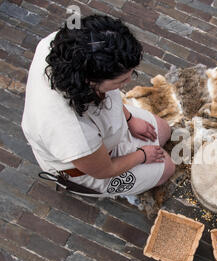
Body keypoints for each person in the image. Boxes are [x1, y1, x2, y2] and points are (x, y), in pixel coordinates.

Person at [22, 15, 175, 196]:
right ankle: (88, 188)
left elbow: (109, 93)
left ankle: (133, 146)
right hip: (89, 167)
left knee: (163, 130)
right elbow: (104, 170)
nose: (128, 82)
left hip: (103, 133)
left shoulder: (64, 44)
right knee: (167, 167)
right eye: (122, 80)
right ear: (89, 81)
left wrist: (129, 118)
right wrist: (142, 155)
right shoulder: (70, 129)